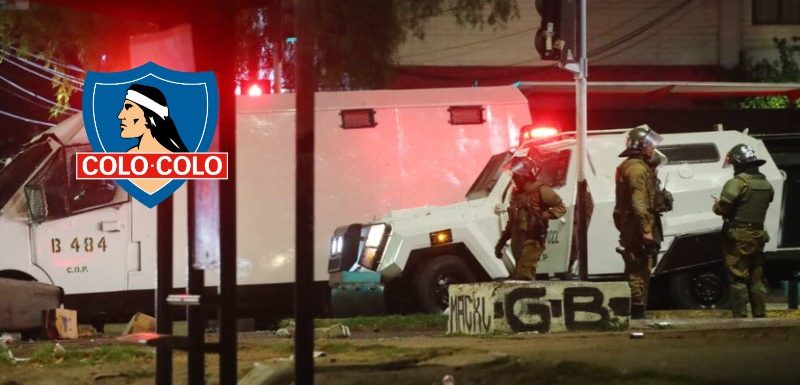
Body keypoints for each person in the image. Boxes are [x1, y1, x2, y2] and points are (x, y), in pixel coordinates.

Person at [613, 126, 671, 319]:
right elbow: (639, 202)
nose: (653, 149)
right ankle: (637, 311)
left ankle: (638, 308)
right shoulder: (637, 169)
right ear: (641, 146)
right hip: (638, 227)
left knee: (642, 266)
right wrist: (646, 230)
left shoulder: (636, 166)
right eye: (650, 146)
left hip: (637, 224)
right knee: (639, 268)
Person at [713, 144, 774, 318]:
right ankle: (760, 314)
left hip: (738, 237)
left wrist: (717, 204)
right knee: (756, 278)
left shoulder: (737, 183)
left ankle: (740, 317)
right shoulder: (765, 183)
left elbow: (722, 209)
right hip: (758, 235)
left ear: (738, 164)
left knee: (737, 278)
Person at [495, 154, 566, 280]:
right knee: (520, 276)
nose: (514, 178)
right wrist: (501, 243)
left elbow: (561, 207)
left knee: (523, 276)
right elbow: (512, 223)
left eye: (517, 175)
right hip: (518, 242)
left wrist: (544, 215)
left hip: (532, 241)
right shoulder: (517, 195)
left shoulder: (541, 190)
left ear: (524, 175)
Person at [118, 83, 188, 153]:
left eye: (129, 107)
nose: (120, 116)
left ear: (149, 117)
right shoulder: (130, 154)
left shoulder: (174, 158)